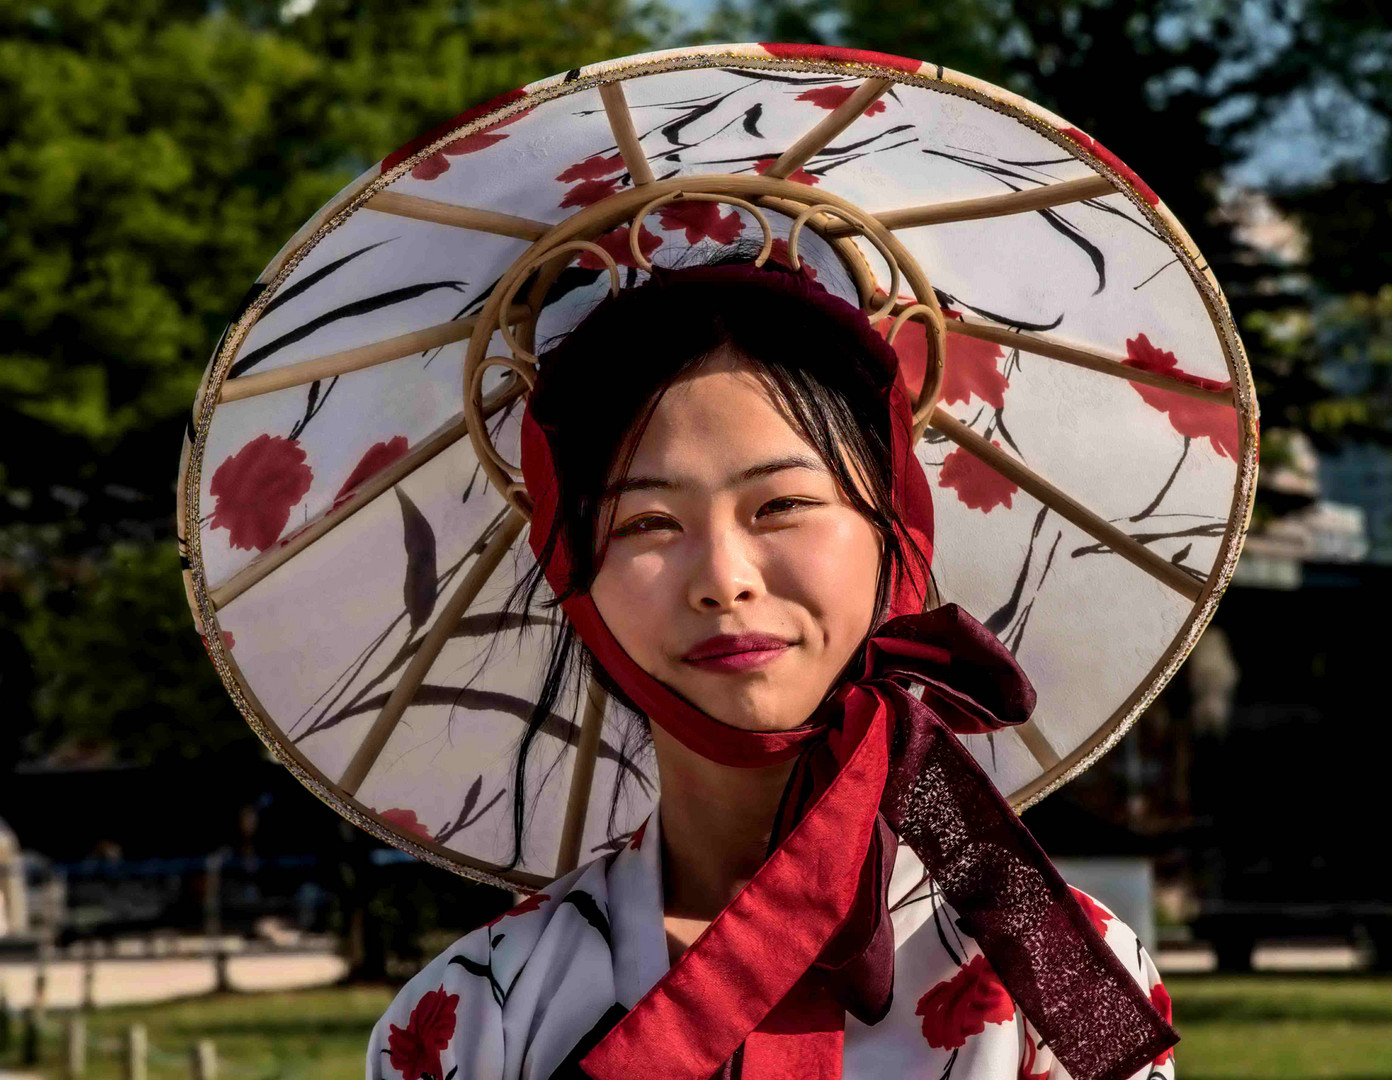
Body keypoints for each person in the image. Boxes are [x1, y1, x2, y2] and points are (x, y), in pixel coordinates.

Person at [364, 243, 1177, 1080]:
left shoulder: (1058, 980)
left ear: (894, 531)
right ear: (576, 575)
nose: (723, 580)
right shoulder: (473, 1017)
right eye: (646, 523)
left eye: (782, 504)